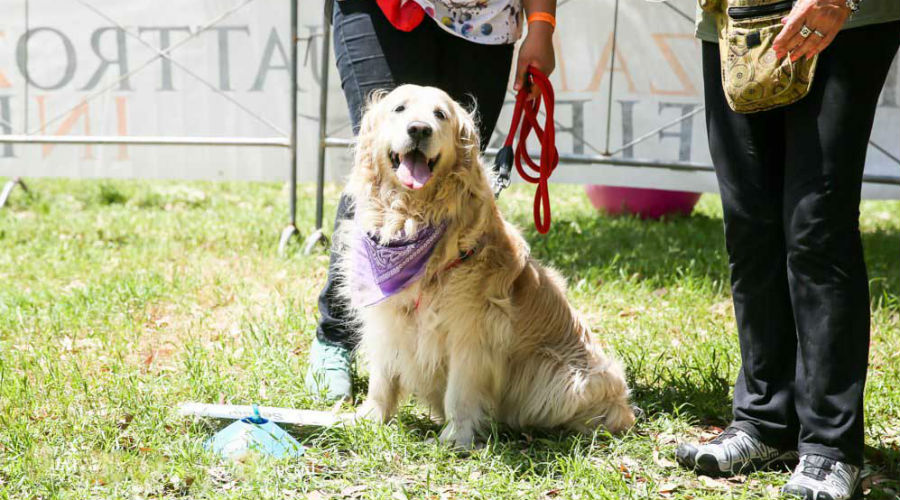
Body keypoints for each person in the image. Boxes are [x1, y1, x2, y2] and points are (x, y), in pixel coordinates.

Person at [676, 1, 899, 499]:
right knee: (749, 222)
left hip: (841, 16)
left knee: (817, 227)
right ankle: (764, 419)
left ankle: (830, 445)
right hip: (735, 18)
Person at [304, 0, 558, 402]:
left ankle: (439, 358)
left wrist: (541, 22)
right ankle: (337, 338)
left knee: (453, 173)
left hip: (483, 18)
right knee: (381, 165)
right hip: (384, 8)